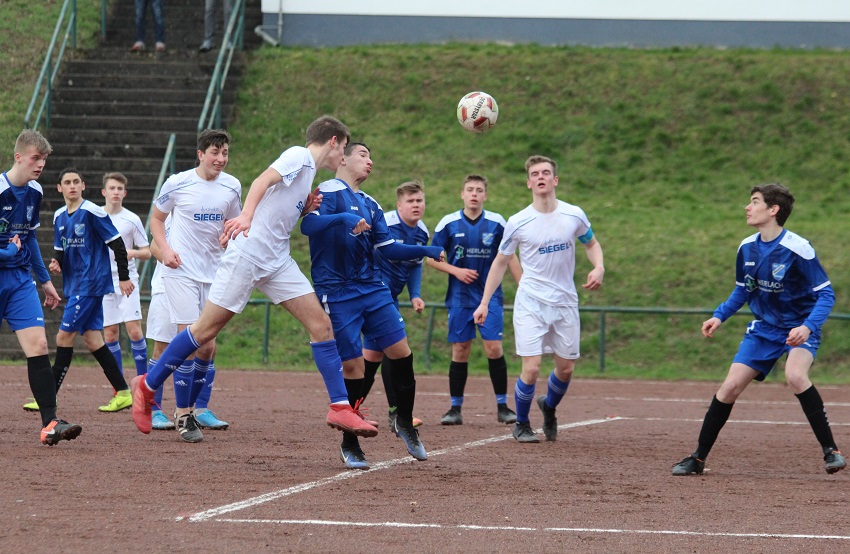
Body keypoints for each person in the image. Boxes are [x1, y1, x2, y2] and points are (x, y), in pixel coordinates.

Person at [130, 115, 378, 445]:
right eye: (344, 148)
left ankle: (339, 406)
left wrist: (304, 208)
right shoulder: (298, 156)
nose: (343, 158)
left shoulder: (308, 176)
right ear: (333, 141)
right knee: (204, 332)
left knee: (321, 325)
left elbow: (279, 207)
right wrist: (245, 215)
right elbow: (262, 181)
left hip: (276, 259)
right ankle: (147, 386)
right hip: (248, 255)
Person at [672, 183, 845, 476]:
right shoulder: (746, 247)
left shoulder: (797, 248)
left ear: (773, 210)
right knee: (728, 388)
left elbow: (826, 294)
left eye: (754, 201)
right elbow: (743, 290)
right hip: (765, 329)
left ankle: (831, 451)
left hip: (798, 328)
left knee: (795, 375)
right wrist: (720, 316)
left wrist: (807, 326)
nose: (747, 207)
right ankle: (698, 458)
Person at [301, 143, 445, 470]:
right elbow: (307, 226)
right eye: (363, 155)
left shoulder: (370, 203)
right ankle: (349, 442)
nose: (370, 161)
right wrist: (341, 219)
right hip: (336, 292)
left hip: (372, 287)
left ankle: (403, 420)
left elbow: (389, 248)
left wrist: (424, 249)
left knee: (401, 352)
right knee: (354, 368)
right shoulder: (327, 191)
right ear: (343, 159)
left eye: (371, 157)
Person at [473, 155, 604, 443]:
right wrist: (484, 302)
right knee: (531, 368)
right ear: (529, 182)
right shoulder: (519, 222)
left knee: (566, 369)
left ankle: (549, 406)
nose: (541, 176)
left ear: (555, 180)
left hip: (565, 302)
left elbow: (591, 243)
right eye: (535, 173)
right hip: (531, 302)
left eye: (546, 172)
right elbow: (500, 262)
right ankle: (521, 422)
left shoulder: (574, 215)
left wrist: (599, 266)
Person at [147, 129, 242, 442]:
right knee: (188, 339)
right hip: (180, 271)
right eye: (215, 152)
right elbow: (156, 220)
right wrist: (165, 249)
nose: (221, 159)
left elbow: (234, 223)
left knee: (208, 345)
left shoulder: (232, 186)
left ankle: (197, 408)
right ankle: (182, 413)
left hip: (214, 273)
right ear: (201, 154)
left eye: (225, 153)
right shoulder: (178, 182)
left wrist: (230, 235)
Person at [2, 129, 82, 445]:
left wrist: (46, 281)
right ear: (18, 156)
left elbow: (31, 237)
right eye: (36, 158)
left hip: (21, 281)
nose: (40, 165)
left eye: (44, 159)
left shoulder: (35, 191)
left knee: (39, 347)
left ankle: (50, 424)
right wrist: (7, 252)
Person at [429, 174, 522, 426]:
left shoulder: (497, 222)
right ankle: (455, 408)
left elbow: (510, 256)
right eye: (469, 189)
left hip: (489, 296)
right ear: (462, 194)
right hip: (459, 298)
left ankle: (503, 406)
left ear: (485, 195)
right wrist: (456, 271)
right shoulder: (448, 223)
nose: (474, 194)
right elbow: (430, 257)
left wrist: (524, 286)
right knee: (460, 350)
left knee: (493, 348)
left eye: (479, 190)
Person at [49, 168, 136, 412]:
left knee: (63, 336)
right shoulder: (58, 216)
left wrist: (124, 278)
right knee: (92, 339)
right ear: (60, 188)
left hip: (91, 283)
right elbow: (60, 249)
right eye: (67, 182)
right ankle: (123, 392)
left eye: (76, 181)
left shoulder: (92, 211)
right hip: (75, 284)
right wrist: (57, 262)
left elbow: (118, 245)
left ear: (83, 185)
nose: (72, 186)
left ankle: (48, 396)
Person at [361, 180, 429, 429]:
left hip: (390, 299)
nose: (416, 205)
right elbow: (361, 249)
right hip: (374, 296)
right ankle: (398, 412)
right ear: (399, 205)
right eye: (410, 201)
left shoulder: (422, 232)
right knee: (393, 349)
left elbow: (415, 265)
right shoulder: (385, 224)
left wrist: (415, 295)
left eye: (419, 200)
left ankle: (351, 408)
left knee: (373, 355)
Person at [100, 172, 151, 381]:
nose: (116, 192)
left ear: (125, 193)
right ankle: (119, 388)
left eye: (120, 189)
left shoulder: (131, 219)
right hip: (103, 282)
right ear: (104, 192)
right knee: (110, 333)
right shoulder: (96, 217)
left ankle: (143, 384)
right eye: (112, 188)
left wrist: (131, 252)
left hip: (127, 281)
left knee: (135, 332)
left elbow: (147, 252)